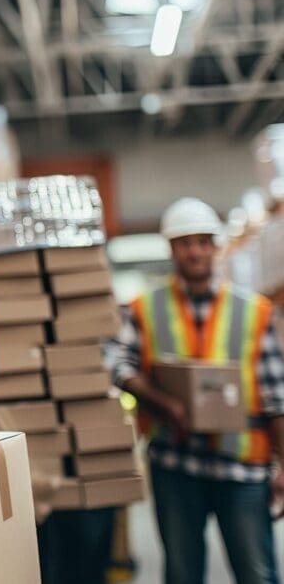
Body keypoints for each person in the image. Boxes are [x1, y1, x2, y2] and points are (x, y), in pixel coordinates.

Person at [110, 197, 284, 584]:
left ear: (215, 246)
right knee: (182, 574)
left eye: (203, 242)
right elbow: (119, 365)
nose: (195, 251)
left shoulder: (255, 311)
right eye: (185, 242)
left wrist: (283, 463)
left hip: (243, 467)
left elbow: (276, 393)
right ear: (171, 249)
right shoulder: (143, 309)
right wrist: (160, 401)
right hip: (176, 464)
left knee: (258, 574)